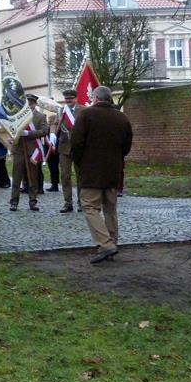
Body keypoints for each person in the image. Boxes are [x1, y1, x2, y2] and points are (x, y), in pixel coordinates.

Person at [70, 85, 133, 264]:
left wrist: (81, 162)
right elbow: (126, 147)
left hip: (91, 172)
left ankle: (106, 245)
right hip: (113, 171)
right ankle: (112, 242)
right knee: (110, 210)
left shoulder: (85, 115)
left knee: (90, 207)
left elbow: (76, 143)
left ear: (96, 98)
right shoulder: (122, 118)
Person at [9, 94, 48, 212]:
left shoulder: (40, 116)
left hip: (33, 150)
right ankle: (14, 202)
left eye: (30, 104)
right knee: (16, 177)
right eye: (27, 104)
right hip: (19, 150)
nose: (29, 106)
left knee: (33, 177)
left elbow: (44, 131)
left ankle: (33, 201)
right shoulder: (17, 116)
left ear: (34, 104)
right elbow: (11, 129)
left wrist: (28, 134)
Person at [58, 88, 82, 213]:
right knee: (65, 176)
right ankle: (68, 203)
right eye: (66, 99)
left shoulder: (83, 110)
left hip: (79, 148)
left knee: (80, 176)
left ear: (75, 99)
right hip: (64, 147)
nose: (68, 101)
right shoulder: (61, 111)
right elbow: (56, 125)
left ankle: (81, 202)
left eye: (70, 99)